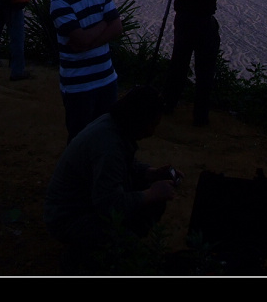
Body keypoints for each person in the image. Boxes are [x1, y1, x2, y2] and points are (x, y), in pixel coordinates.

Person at [44, 85, 182, 274]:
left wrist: (152, 173)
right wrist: (150, 194)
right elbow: (108, 204)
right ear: (140, 120)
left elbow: (124, 167)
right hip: (69, 217)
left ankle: (118, 242)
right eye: (153, 125)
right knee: (128, 249)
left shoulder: (115, 125)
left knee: (152, 196)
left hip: (87, 202)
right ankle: (83, 256)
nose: (153, 132)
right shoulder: (109, 147)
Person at [50, 0, 124, 143]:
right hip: (78, 85)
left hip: (107, 78)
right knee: (79, 141)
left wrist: (87, 42)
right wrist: (103, 23)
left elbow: (117, 27)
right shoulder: (60, 0)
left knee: (109, 136)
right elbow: (79, 38)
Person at [162, 0, 234, 126]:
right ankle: (200, 116)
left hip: (183, 21)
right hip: (204, 24)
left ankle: (169, 104)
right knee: (205, 70)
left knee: (179, 63)